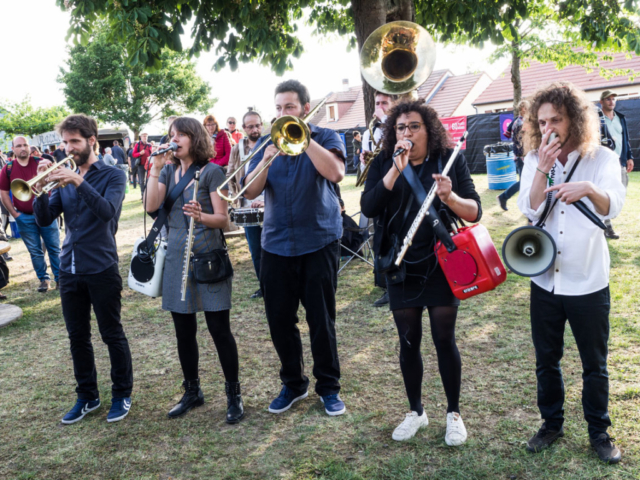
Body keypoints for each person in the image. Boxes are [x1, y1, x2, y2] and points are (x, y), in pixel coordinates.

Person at [361, 99, 481, 444]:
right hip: (399, 264)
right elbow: (369, 206)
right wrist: (394, 169)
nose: (407, 132)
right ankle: (416, 411)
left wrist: (451, 197)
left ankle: (453, 413)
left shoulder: (448, 159)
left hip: (441, 262)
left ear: (429, 129)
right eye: (400, 127)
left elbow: (475, 211)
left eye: (414, 126)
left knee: (444, 338)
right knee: (408, 340)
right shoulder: (386, 160)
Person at [517, 82, 625, 463]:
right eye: (542, 121)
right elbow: (530, 211)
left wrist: (589, 189)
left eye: (557, 119)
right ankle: (551, 424)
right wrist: (542, 171)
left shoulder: (602, 159)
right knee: (547, 359)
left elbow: (613, 206)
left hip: (587, 279)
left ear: (575, 120)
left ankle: (599, 431)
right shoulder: (534, 160)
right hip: (545, 279)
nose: (549, 128)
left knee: (594, 364)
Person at [243, 79, 347, 417]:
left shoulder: (325, 137)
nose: (282, 113)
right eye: (278, 108)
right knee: (279, 320)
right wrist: (265, 160)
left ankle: (328, 387)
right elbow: (248, 192)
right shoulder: (264, 144)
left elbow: (336, 173)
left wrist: (304, 140)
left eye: (289, 107)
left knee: (321, 319)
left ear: (305, 107)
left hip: (318, 239)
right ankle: (293, 383)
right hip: (275, 242)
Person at [32, 113, 133, 424]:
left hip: (101, 265)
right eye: (65, 142)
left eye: (74, 141)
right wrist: (40, 191)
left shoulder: (114, 176)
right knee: (77, 337)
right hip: (69, 267)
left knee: (111, 333)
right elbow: (45, 219)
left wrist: (77, 181)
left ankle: (121, 394)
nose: (68, 148)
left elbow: (107, 213)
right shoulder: (63, 175)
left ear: (91, 140)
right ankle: (87, 396)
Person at [143, 116, 244, 423]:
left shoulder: (211, 172)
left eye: (181, 134)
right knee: (183, 332)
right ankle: (192, 391)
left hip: (207, 258)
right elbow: (150, 207)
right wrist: (156, 169)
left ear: (194, 138)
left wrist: (202, 216)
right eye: (171, 134)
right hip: (176, 259)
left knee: (219, 330)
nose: (174, 139)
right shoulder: (169, 171)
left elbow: (223, 220)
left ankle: (233, 396)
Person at [0, 136, 61, 292]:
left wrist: (50, 170)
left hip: (46, 214)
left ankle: (61, 279)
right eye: (18, 145)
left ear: (29, 147)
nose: (23, 148)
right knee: (35, 250)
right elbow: (4, 193)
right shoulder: (7, 168)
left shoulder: (41, 162)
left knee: (54, 247)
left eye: (25, 145)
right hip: (24, 215)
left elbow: (57, 182)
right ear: (13, 149)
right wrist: (14, 213)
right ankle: (43, 280)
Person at [360, 91, 397, 308]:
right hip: (376, 186)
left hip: (394, 183)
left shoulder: (395, 127)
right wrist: (365, 160)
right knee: (378, 237)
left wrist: (385, 120)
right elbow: (368, 165)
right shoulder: (369, 132)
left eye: (384, 103)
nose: (380, 107)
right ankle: (384, 284)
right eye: (377, 103)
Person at [228, 110, 265, 299]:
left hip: (270, 205)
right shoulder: (238, 148)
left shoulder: (270, 143)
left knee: (273, 249)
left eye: (258, 125)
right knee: (255, 249)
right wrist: (232, 194)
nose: (255, 129)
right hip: (246, 205)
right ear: (244, 128)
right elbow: (230, 172)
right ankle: (264, 287)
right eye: (250, 126)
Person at [598, 90, 634, 239]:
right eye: (608, 99)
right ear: (601, 102)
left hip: (620, 161)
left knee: (620, 190)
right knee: (604, 191)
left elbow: (625, 139)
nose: (611, 101)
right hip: (603, 162)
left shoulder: (620, 118)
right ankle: (606, 226)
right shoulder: (596, 118)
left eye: (613, 99)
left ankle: (605, 220)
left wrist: (629, 157)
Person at [498, 100, 529, 211]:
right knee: (524, 182)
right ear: (522, 109)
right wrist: (522, 155)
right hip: (521, 157)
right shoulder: (520, 123)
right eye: (527, 107)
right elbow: (520, 141)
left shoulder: (521, 121)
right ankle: (503, 197)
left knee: (526, 181)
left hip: (522, 156)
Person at [132, 133, 152, 197]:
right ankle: (143, 194)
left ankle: (148, 193)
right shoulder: (137, 145)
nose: (145, 137)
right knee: (141, 180)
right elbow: (133, 154)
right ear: (141, 137)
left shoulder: (149, 145)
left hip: (149, 165)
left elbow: (152, 153)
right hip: (140, 165)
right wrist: (140, 153)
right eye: (144, 136)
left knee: (149, 179)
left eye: (146, 136)